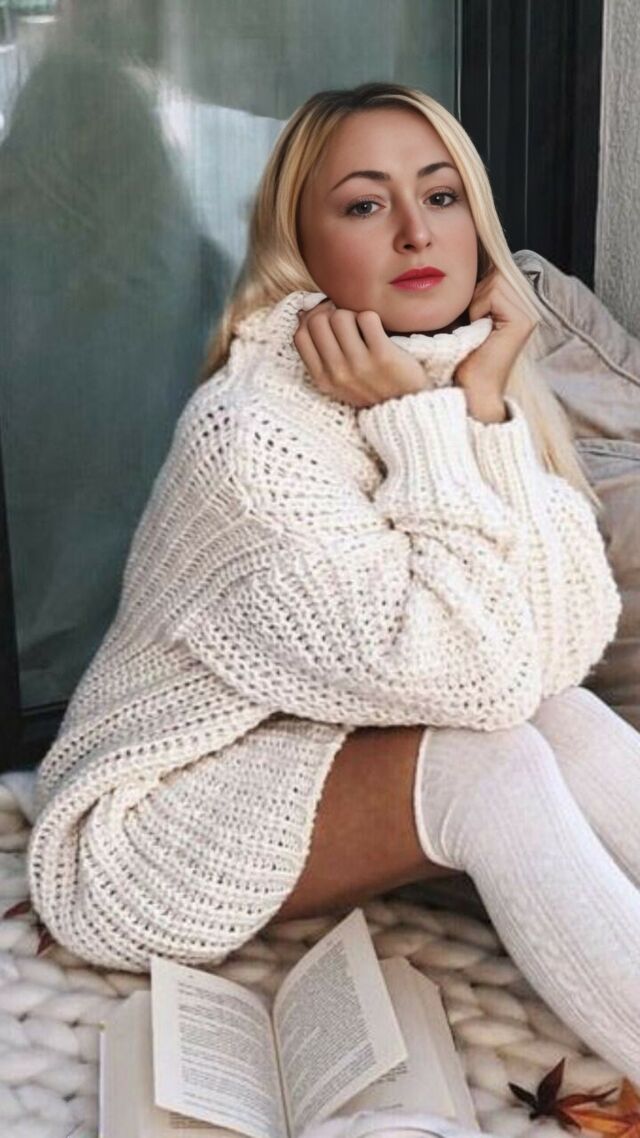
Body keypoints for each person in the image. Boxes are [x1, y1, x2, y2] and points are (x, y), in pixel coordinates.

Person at [27, 82, 640, 1081]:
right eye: (364, 204)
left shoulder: (455, 380)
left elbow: (558, 646)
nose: (415, 233)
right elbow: (479, 679)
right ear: (300, 249)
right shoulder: (252, 435)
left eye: (440, 196)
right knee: (490, 761)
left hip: (310, 749)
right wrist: (429, 428)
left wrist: (484, 411)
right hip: (146, 829)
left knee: (562, 716)